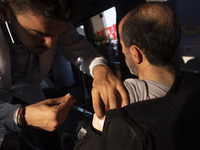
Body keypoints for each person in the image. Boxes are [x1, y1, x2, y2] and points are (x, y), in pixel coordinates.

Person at [0, 0, 129, 149]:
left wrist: (101, 70)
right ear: (4, 12)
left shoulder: (53, 24)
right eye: (39, 34)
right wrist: (19, 116)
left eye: (57, 35)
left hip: (31, 95)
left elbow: (82, 52)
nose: (50, 45)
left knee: (51, 142)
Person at [73, 2, 192, 150]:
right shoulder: (193, 84)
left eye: (122, 45)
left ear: (136, 53)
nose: (122, 51)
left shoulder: (120, 95)